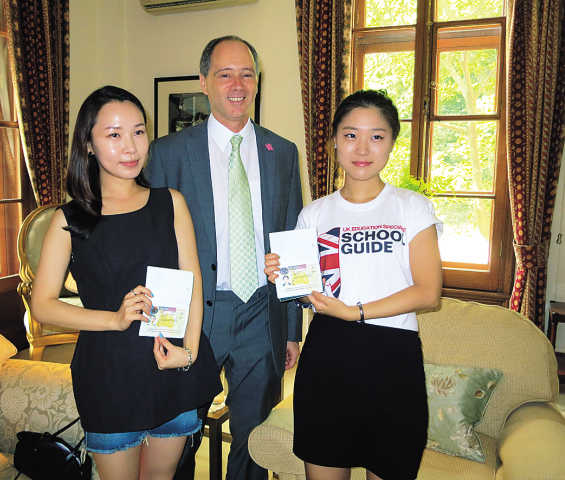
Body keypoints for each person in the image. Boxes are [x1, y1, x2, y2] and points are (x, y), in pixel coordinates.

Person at [31, 86, 222, 480]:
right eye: (114, 134)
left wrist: (188, 353)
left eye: (138, 131)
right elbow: (43, 305)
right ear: (88, 143)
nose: (131, 146)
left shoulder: (170, 202)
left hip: (169, 371)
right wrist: (114, 319)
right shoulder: (70, 219)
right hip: (109, 377)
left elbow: (192, 287)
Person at [145, 36, 303, 480]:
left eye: (247, 74)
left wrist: (291, 330)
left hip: (260, 312)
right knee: (177, 429)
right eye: (225, 74)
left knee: (253, 438)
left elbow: (289, 238)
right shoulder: (168, 152)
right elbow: (156, 248)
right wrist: (160, 329)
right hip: (193, 312)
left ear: (257, 82)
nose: (238, 84)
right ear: (204, 81)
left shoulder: (283, 152)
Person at [264, 89, 443, 480]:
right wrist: (285, 277)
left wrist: (355, 312)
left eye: (377, 136)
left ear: (392, 143)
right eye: (350, 134)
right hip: (328, 359)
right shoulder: (314, 214)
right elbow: (311, 295)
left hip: (393, 362)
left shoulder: (412, 207)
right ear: (333, 143)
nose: (363, 147)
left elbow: (428, 291)